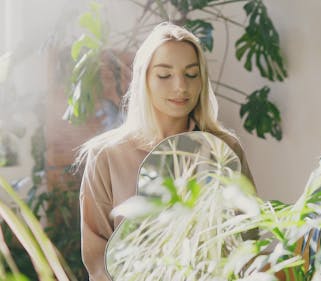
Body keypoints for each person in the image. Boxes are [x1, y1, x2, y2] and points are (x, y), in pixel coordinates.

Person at [77, 22, 254, 281]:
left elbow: (247, 237)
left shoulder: (224, 149)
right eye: (164, 75)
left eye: (191, 74)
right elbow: (98, 259)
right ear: (144, 79)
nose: (181, 86)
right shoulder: (106, 155)